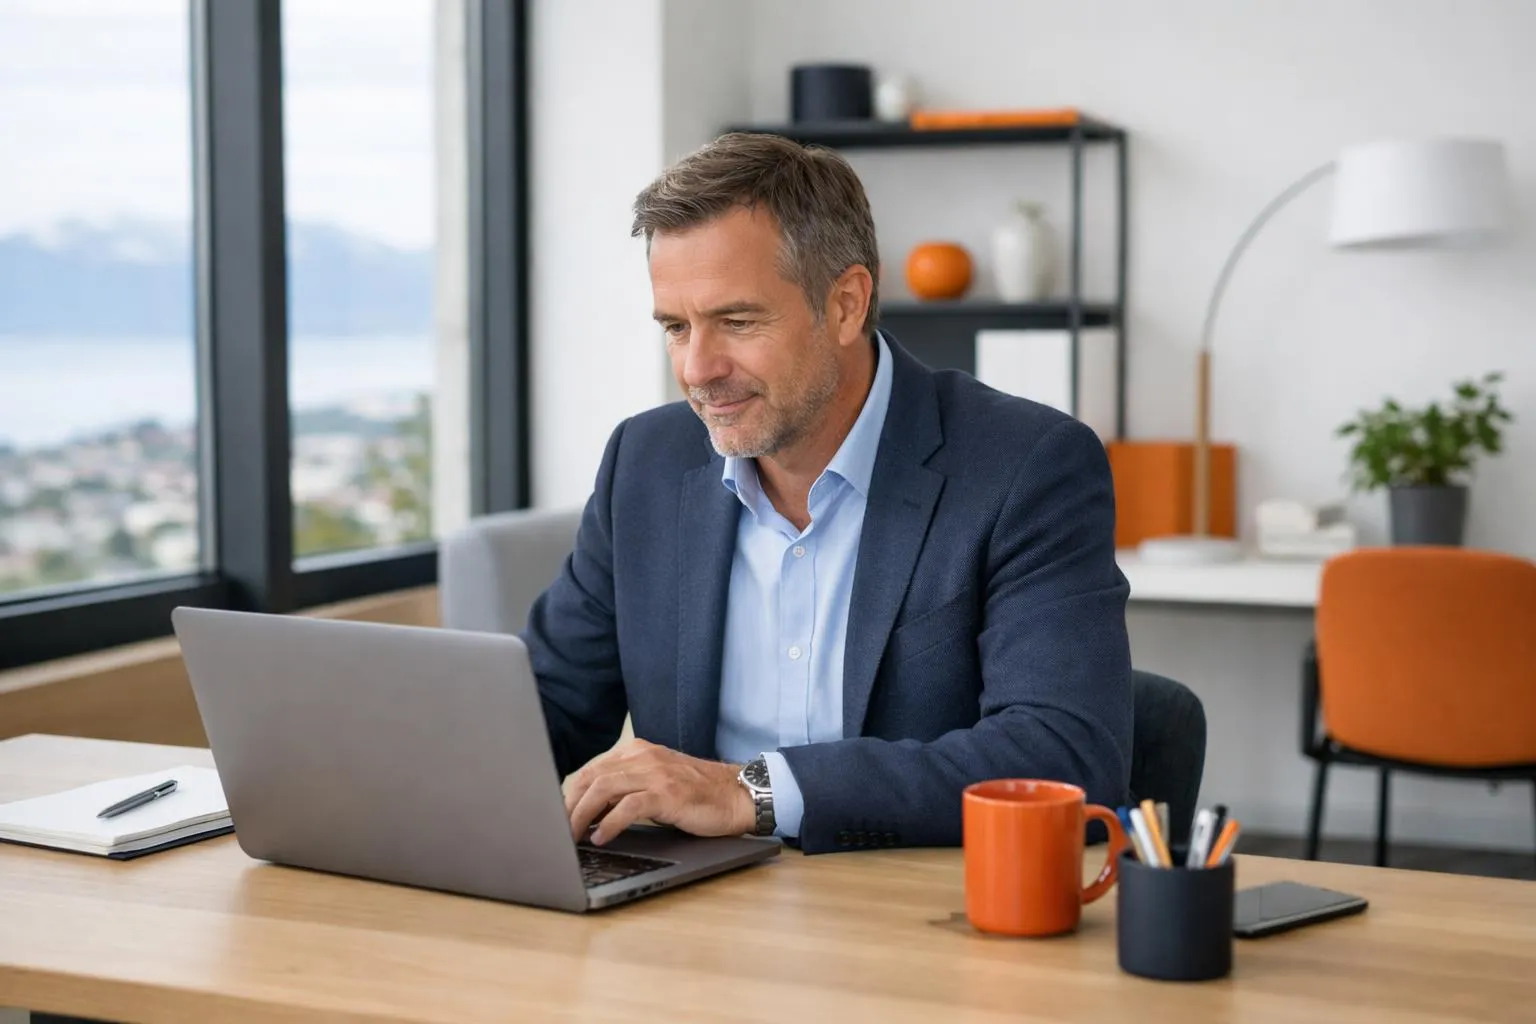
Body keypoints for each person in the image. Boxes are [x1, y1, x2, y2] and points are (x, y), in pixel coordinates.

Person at [524, 132, 1133, 855]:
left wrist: (749, 792)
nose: (697, 368)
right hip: (693, 906)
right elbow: (546, 711)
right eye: (676, 328)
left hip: (907, 905)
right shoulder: (645, 463)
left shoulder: (1026, 466)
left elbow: (1063, 754)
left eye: (736, 322)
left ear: (846, 304)